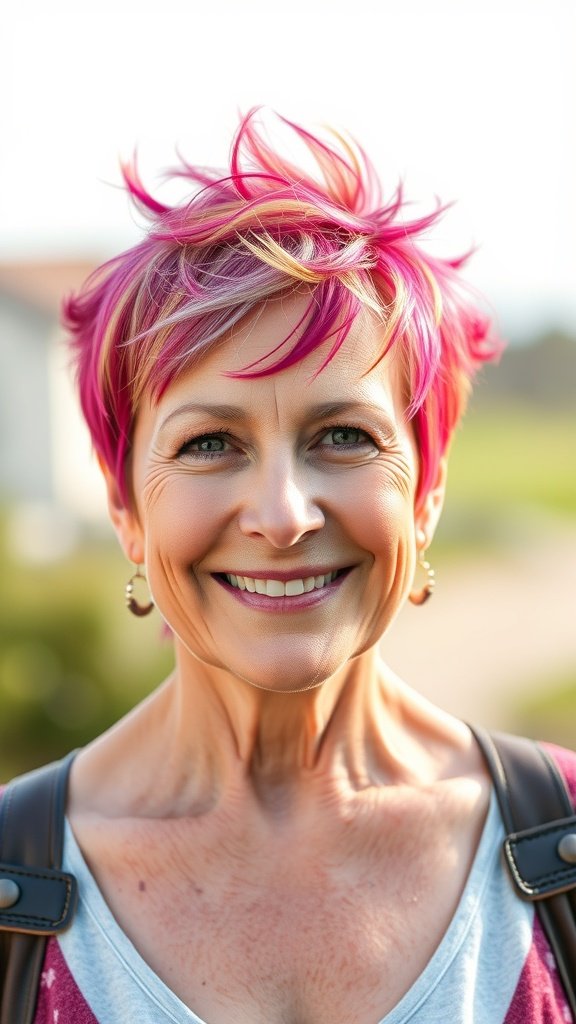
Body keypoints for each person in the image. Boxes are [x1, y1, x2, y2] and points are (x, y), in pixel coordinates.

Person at [9, 110, 576, 1022]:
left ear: (425, 492)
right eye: (208, 445)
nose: (282, 515)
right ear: (125, 507)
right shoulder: (13, 886)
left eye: (344, 435)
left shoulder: (564, 849)